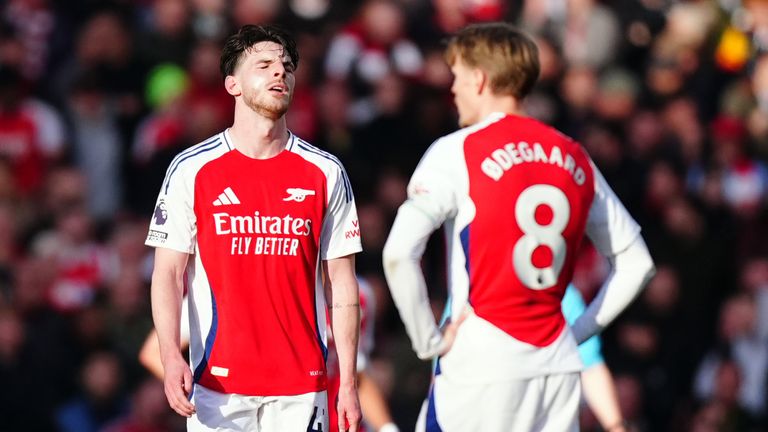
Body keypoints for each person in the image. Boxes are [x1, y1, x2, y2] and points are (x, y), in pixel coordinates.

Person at [382, 22, 655, 431]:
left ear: (479, 79)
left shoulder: (457, 151)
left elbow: (398, 253)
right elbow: (638, 263)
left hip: (482, 365)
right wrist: (577, 333)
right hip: (557, 368)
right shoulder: (573, 154)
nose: (452, 89)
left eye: (457, 76)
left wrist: (429, 342)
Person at [146, 24, 362, 432]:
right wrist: (171, 355)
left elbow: (342, 282)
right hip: (217, 387)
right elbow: (168, 274)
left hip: (303, 387)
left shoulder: (326, 171)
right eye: (263, 65)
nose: (280, 72)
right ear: (232, 85)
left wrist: (347, 381)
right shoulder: (191, 169)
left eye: (287, 67)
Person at [139, 280, 399, 432]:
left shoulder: (355, 295)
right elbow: (153, 352)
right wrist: (204, 397)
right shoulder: (221, 287)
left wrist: (387, 428)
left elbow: (356, 374)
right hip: (252, 417)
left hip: (331, 420)